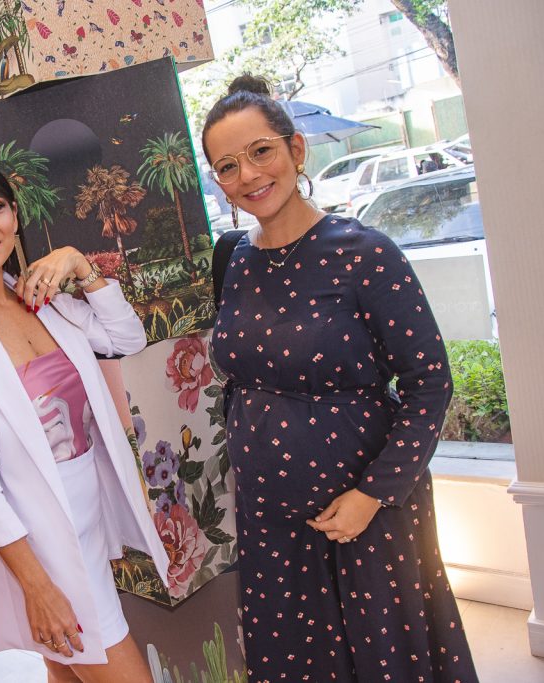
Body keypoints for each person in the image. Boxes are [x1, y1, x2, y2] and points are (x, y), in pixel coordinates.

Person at [202, 74, 477, 682]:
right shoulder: (235, 260)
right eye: (226, 166)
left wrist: (374, 493)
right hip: (270, 515)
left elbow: (429, 386)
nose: (247, 175)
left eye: (260, 152)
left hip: (362, 510)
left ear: (296, 151)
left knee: (381, 657)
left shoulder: (365, 253)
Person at [0, 158, 171, 683]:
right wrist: (38, 587)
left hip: (90, 520)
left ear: (14, 216)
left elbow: (126, 340)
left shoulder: (42, 300)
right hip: (45, 545)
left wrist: (82, 266)